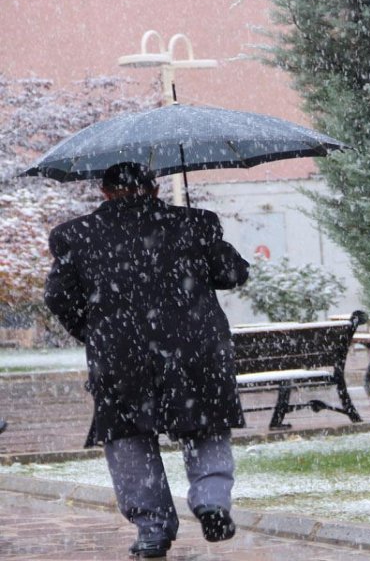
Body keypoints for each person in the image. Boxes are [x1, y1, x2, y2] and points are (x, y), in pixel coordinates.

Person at [44, 162, 249, 559]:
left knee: (129, 438)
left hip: (121, 354)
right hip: (195, 347)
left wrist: (93, 331)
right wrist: (202, 240)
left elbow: (57, 297)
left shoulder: (75, 235)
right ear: (154, 189)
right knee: (204, 425)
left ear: (104, 192)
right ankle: (211, 501)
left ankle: (152, 528)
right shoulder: (197, 223)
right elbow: (233, 274)